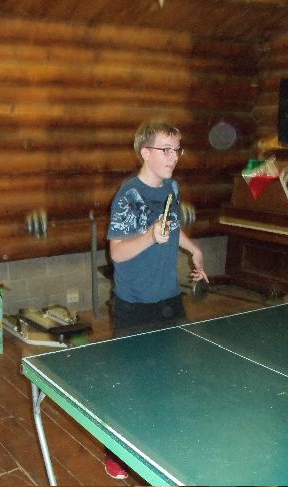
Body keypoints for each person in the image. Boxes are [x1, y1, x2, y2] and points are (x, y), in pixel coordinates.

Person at [103, 118, 209, 480]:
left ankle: (159, 441)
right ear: (145, 152)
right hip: (134, 304)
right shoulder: (128, 196)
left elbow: (172, 228)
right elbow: (117, 253)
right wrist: (149, 237)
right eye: (166, 150)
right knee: (131, 384)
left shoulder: (171, 188)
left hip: (169, 299)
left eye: (177, 150)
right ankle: (115, 454)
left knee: (168, 375)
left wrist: (194, 250)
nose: (174, 157)